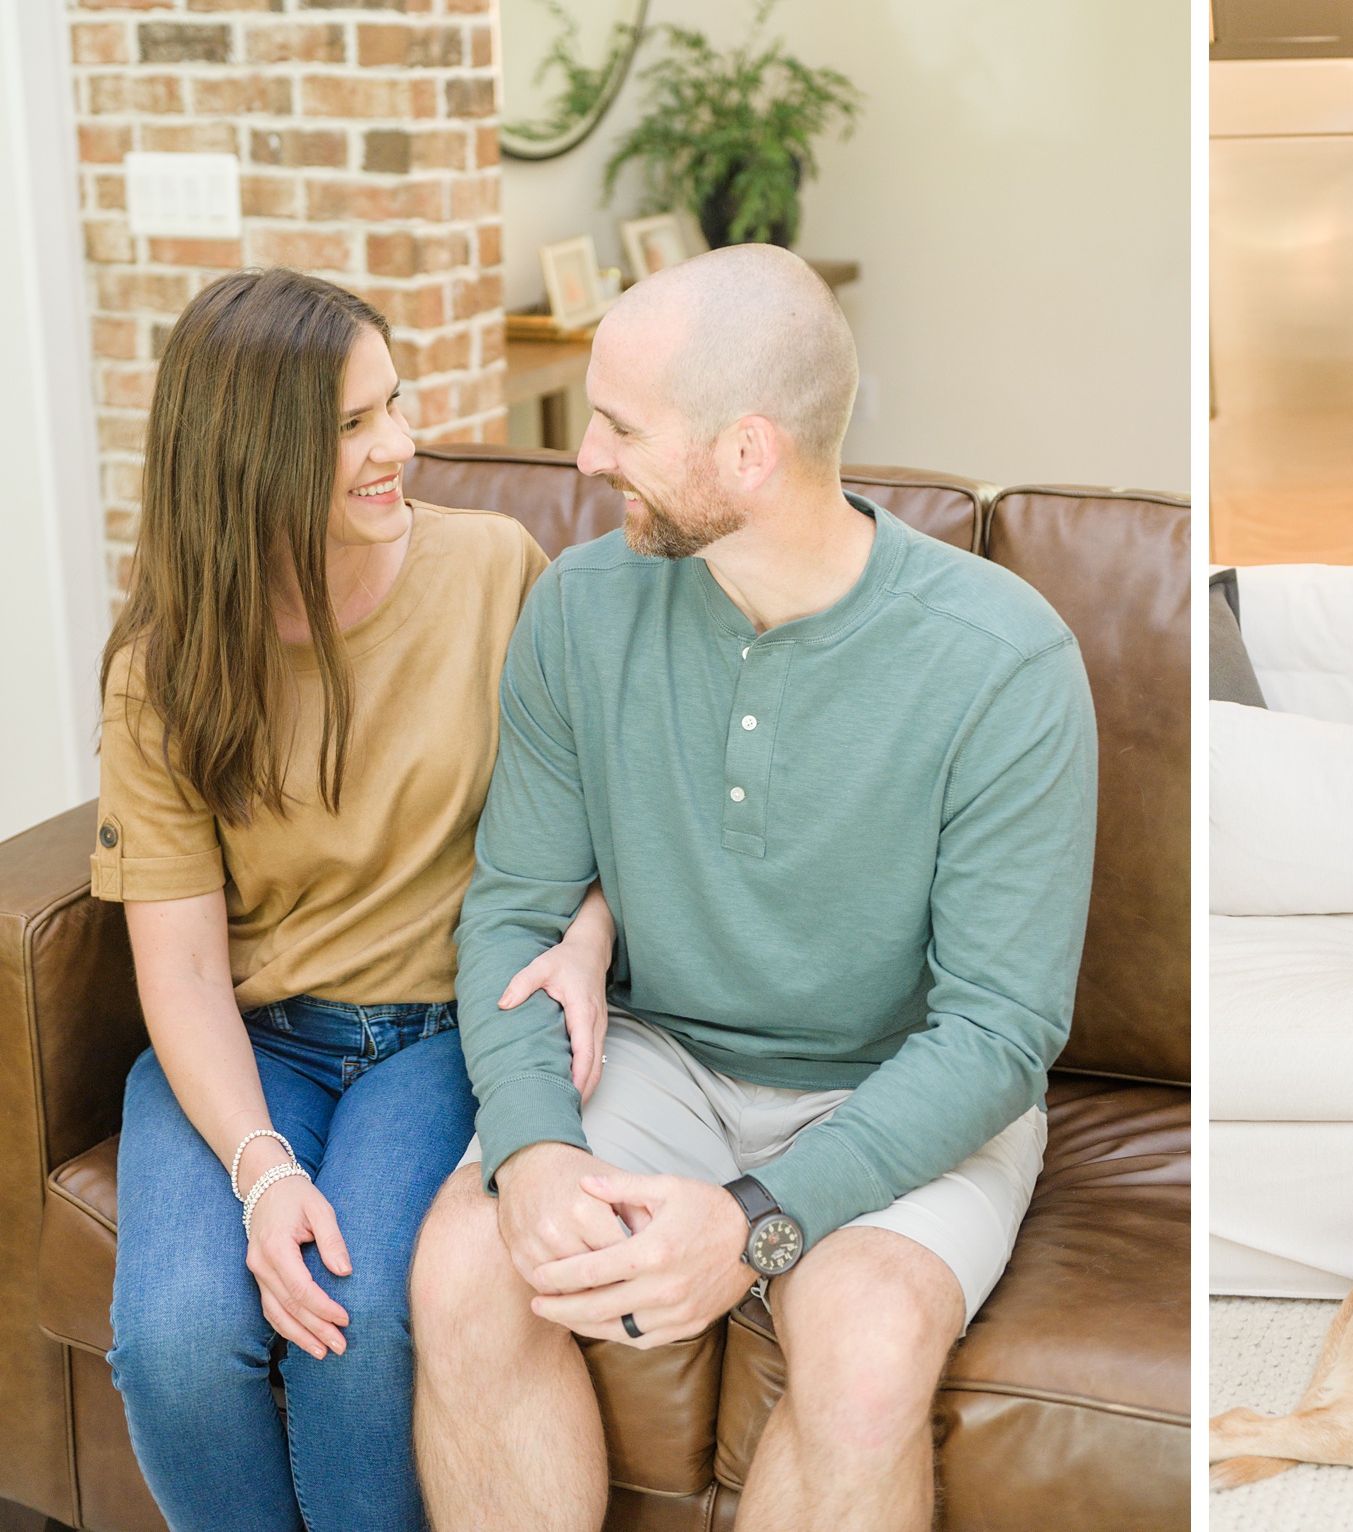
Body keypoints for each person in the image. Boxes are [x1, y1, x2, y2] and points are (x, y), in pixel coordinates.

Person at [408, 246, 1099, 1532]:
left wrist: (756, 1226)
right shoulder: (580, 608)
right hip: (663, 1055)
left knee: (868, 1345)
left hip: (899, 1085)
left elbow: (1000, 1031)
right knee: (464, 1267)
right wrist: (536, 1140)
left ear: (747, 452)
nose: (585, 458)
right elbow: (514, 907)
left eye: (618, 425)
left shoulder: (1005, 662)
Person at [89, 268, 607, 1532]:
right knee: (172, 1343)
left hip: (439, 1028)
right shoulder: (165, 664)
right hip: (252, 1043)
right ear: (252, 457)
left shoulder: (497, 572)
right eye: (353, 428)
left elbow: (602, 824)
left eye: (395, 404)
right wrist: (261, 1172)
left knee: (357, 1321)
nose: (401, 447)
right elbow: (184, 972)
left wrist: (588, 940)